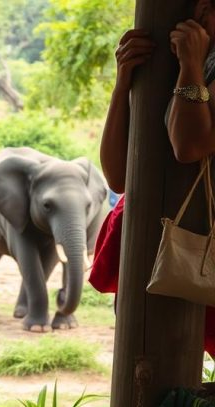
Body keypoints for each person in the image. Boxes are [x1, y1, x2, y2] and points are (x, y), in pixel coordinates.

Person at [96, 2, 215, 356]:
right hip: (151, 246)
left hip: (200, 249)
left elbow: (189, 145)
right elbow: (118, 176)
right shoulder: (166, 59)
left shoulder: (198, 62)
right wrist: (124, 85)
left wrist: (192, 65)